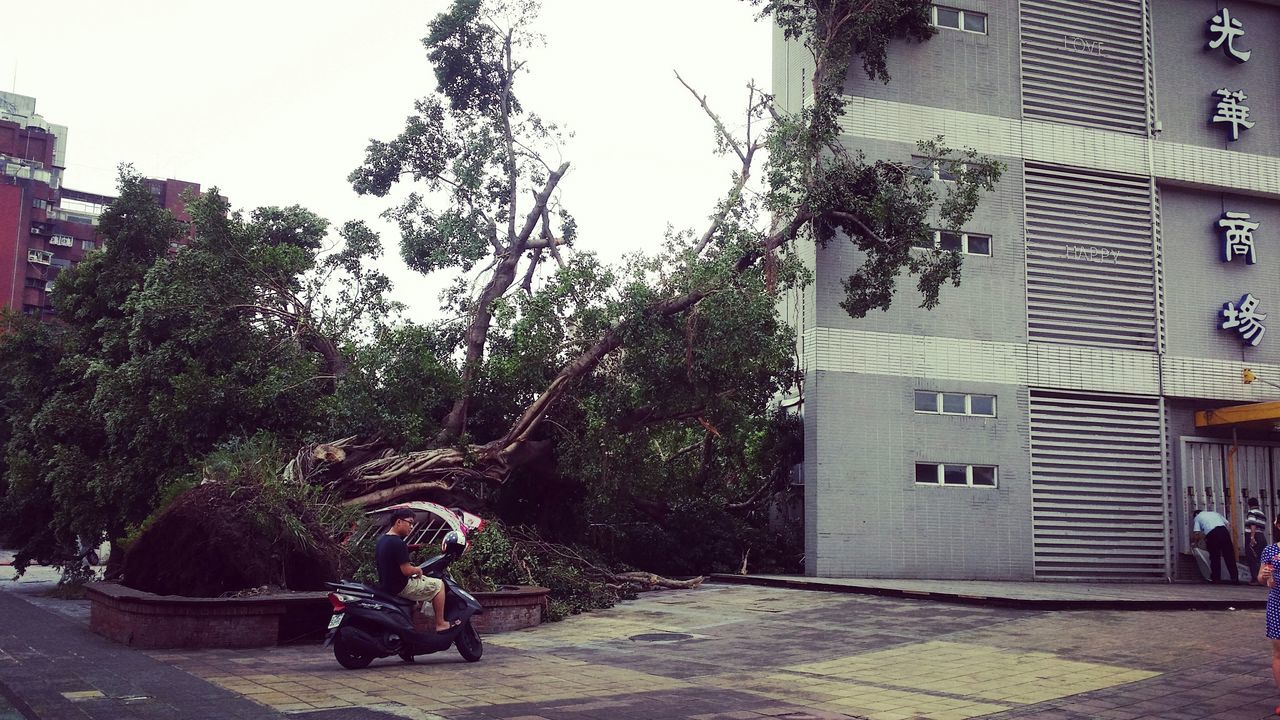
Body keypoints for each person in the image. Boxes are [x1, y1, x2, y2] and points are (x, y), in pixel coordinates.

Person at [374, 507, 456, 632]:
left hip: (387, 586)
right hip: (401, 587)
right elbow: (406, 570)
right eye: (410, 523)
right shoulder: (398, 543)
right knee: (439, 585)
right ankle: (441, 624)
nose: (412, 527)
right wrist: (417, 570)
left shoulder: (382, 540)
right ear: (398, 522)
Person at [1256, 519, 1280, 715]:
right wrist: (1264, 575)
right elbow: (1262, 579)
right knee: (1279, 652)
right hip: (1277, 604)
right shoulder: (1270, 551)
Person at [1191, 507, 1240, 584]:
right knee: (1229, 556)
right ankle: (1235, 578)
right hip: (1224, 532)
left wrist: (1195, 543)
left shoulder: (1197, 517)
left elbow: (1196, 533)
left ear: (1196, 514)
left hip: (1212, 534)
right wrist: (1226, 534)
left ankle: (1216, 579)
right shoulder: (1215, 513)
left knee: (1214, 557)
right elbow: (1228, 524)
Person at [1246, 498, 1269, 585]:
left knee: (1252, 558)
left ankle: (1256, 579)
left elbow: (1253, 524)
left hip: (1254, 535)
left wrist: (1252, 537)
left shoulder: (1251, 513)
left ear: (1249, 504)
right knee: (1261, 558)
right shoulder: (1262, 514)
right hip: (1262, 536)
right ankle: (1263, 579)